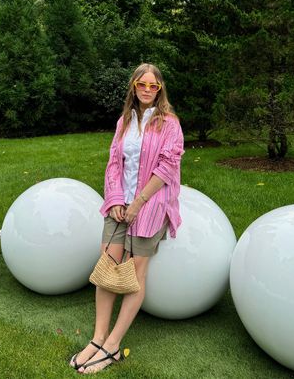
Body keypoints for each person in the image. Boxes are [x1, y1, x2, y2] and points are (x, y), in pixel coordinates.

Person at [70, 63, 184, 374]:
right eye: (142, 84)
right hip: (121, 204)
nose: (147, 90)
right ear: (133, 87)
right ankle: (97, 338)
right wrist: (117, 200)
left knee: (135, 272)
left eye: (154, 86)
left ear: (160, 90)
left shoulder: (170, 124)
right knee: (108, 263)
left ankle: (113, 346)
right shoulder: (124, 122)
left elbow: (167, 168)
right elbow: (113, 165)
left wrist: (138, 203)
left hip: (152, 202)